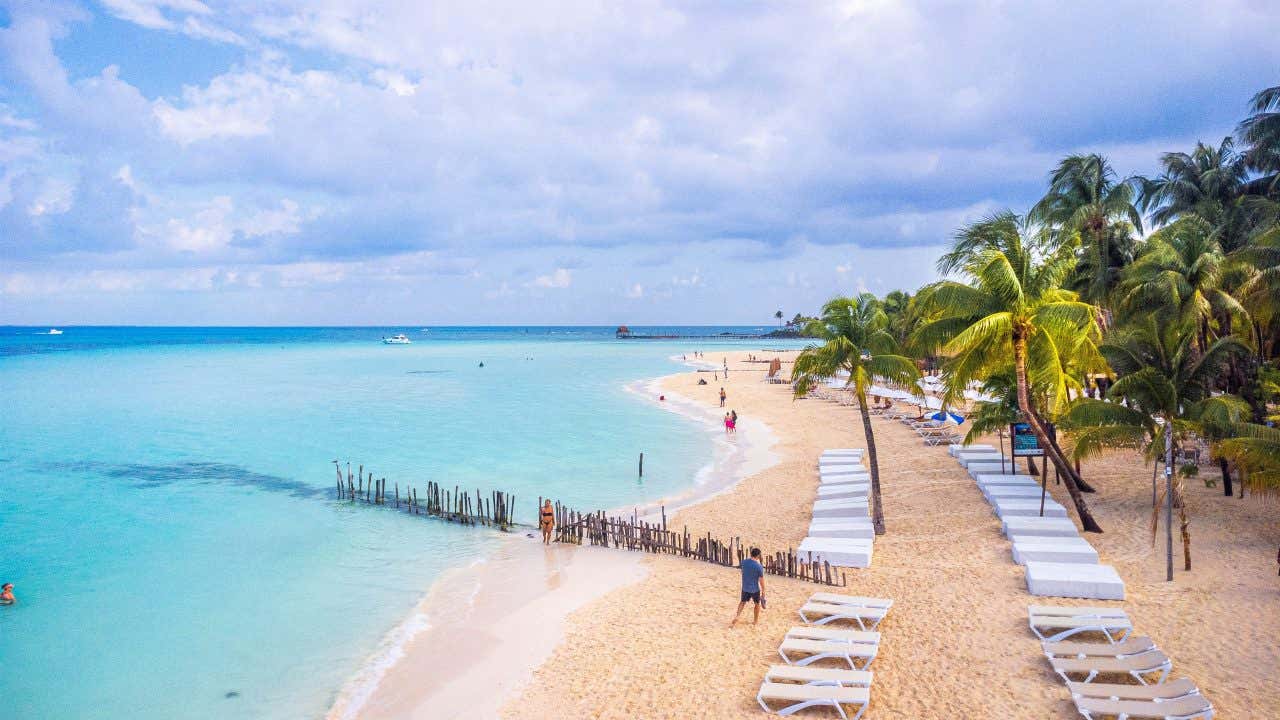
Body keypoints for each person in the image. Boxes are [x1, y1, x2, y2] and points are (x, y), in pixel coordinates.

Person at [730, 548, 766, 626]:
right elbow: (761, 580)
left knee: (742, 602)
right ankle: (755, 621)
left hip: (745, 587)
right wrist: (763, 590)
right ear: (758, 555)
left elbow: (742, 572)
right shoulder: (759, 566)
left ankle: (737, 616)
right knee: (757, 604)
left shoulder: (744, 562)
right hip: (754, 589)